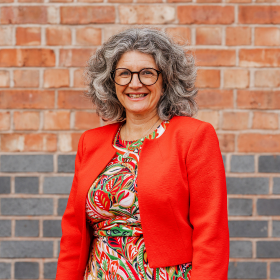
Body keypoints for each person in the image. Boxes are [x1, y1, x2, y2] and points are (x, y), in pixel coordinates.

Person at [55, 28, 229, 280]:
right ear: (110, 81)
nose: (134, 84)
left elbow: (211, 232)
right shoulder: (90, 142)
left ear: (166, 79)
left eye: (147, 73)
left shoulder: (193, 136)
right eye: (124, 74)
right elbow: (73, 234)